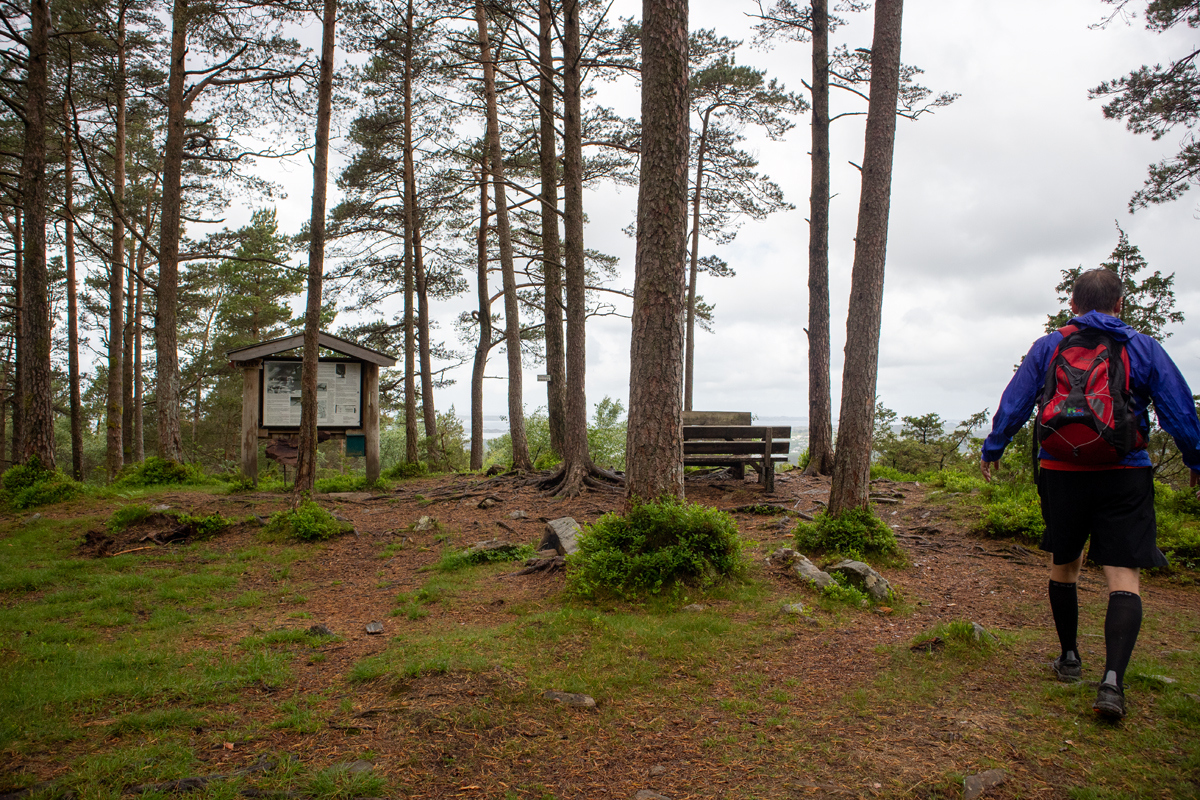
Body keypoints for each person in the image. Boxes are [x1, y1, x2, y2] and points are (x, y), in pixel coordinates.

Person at [980, 267, 1200, 721]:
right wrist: (1195, 460)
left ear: (1073, 305)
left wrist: (994, 446)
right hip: (1124, 472)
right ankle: (1113, 683)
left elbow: (1017, 399)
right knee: (1123, 576)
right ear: (1119, 305)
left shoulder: (1049, 345)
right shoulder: (1141, 346)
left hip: (1061, 472)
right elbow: (1177, 406)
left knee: (1065, 566)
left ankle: (1069, 658)